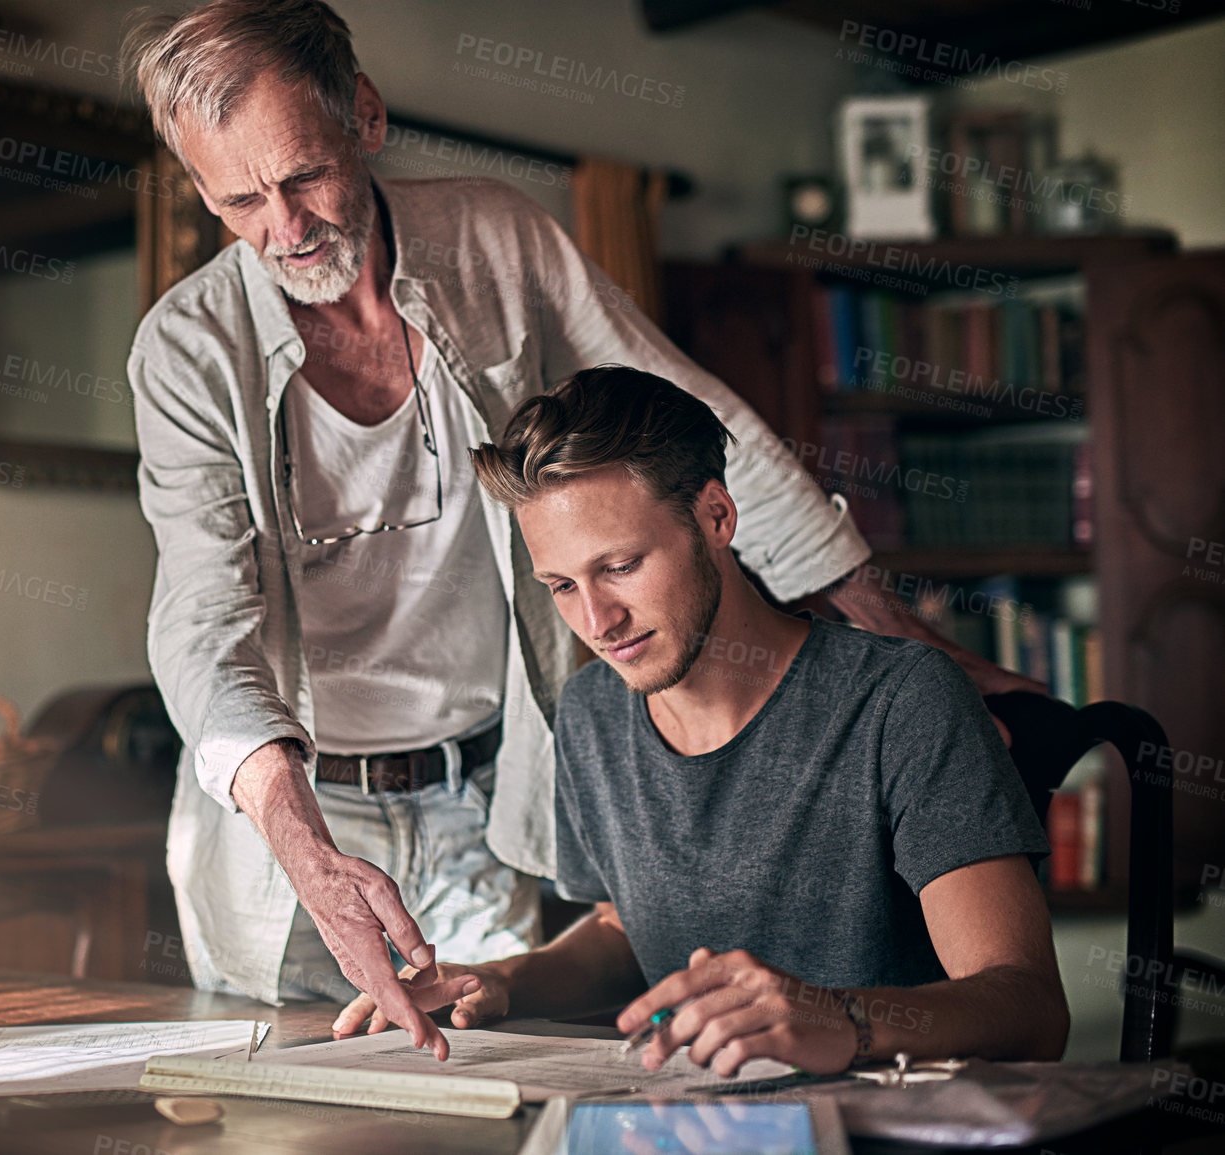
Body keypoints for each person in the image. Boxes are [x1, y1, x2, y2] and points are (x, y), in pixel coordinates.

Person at [122, 0, 1038, 1059]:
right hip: (291, 820)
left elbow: (697, 420)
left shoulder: (495, 237)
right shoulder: (183, 353)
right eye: (239, 198)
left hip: (483, 797)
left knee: (494, 1093)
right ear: (199, 188)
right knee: (287, 1111)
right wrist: (302, 847)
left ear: (364, 118)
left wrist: (894, 634)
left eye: (306, 177)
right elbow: (202, 620)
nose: (286, 228)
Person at [332, 367, 1069, 1072]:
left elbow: (1028, 1008)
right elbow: (630, 932)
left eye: (620, 565)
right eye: (561, 584)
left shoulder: (902, 701)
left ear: (716, 516)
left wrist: (834, 1019)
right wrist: (502, 982)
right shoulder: (591, 712)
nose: (597, 619)